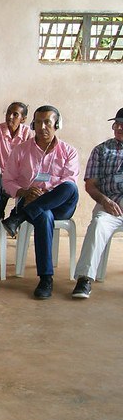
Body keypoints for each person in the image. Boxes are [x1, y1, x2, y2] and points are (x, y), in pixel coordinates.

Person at [1, 105, 79, 300]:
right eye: (38, 122)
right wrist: (24, 192)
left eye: (48, 122)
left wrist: (44, 194)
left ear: (57, 124)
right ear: (33, 124)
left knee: (70, 188)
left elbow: (69, 180)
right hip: (30, 200)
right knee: (43, 215)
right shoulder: (21, 150)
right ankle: (46, 279)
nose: (42, 127)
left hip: (61, 204)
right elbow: (7, 180)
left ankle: (18, 217)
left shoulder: (69, 151)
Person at [71, 108, 123, 299]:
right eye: (116, 123)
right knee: (98, 224)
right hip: (110, 206)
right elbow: (91, 186)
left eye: (122, 124)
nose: (117, 127)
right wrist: (104, 200)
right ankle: (84, 279)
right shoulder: (102, 150)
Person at [0, 102, 32, 173]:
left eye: (15, 114)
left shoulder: (27, 132)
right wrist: (0, 174)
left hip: (19, 174)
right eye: (8, 113)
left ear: (23, 119)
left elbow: (28, 157)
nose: (10, 116)